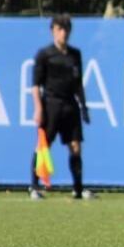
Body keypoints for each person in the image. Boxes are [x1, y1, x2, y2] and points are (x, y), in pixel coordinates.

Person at [30, 14, 94, 200]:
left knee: (75, 147)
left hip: (70, 106)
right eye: (60, 29)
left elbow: (78, 84)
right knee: (44, 146)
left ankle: (78, 189)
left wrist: (83, 107)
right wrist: (38, 108)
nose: (63, 33)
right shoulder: (45, 55)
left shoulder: (75, 55)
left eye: (66, 29)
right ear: (53, 31)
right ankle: (34, 186)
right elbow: (35, 85)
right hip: (51, 105)